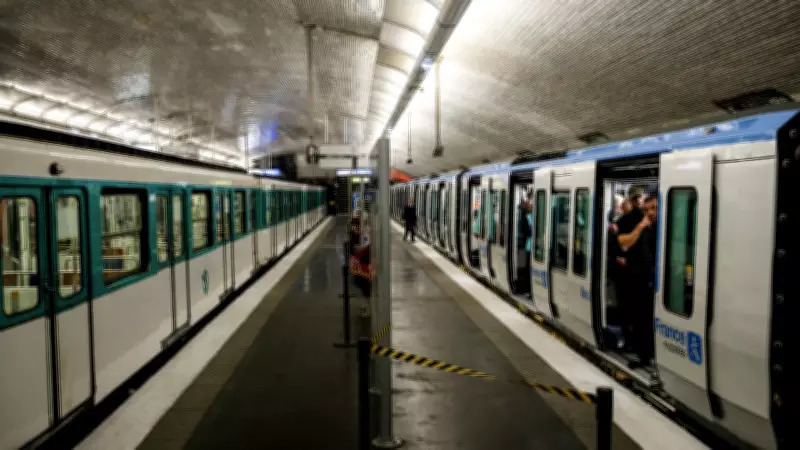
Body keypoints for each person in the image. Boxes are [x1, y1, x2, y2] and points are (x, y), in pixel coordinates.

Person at [617, 193, 658, 367]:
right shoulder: (640, 226)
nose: (650, 213)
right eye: (646, 209)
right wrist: (640, 227)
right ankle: (643, 355)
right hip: (641, 281)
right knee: (641, 318)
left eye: (654, 208)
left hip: (655, 282)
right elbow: (623, 243)